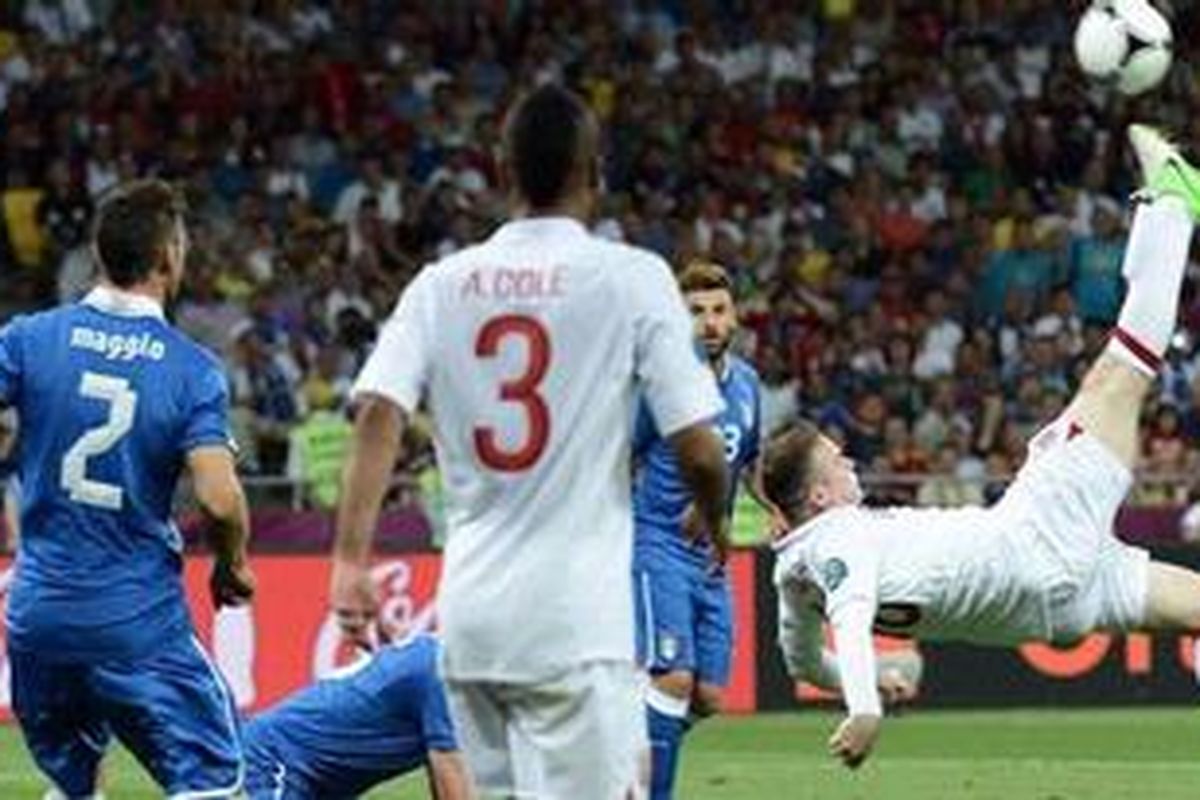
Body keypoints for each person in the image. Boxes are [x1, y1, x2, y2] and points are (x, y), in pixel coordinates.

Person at [330, 84, 729, 799]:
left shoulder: (439, 284)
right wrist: (717, 517)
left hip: (474, 616)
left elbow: (378, 413)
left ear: (500, 171)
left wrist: (349, 561)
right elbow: (699, 446)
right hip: (578, 617)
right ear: (595, 173)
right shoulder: (632, 278)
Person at [763, 126, 1200, 771]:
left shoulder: (790, 578)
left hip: (1053, 609)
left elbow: (801, 659)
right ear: (818, 495)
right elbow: (851, 619)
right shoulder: (838, 539)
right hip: (1036, 538)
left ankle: (1162, 206)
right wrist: (864, 706)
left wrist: (874, 680)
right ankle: (1173, 202)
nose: (851, 462)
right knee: (1122, 369)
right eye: (837, 459)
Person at [0, 179, 256, 798]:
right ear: (168, 256)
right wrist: (232, 565)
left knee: (75, 781)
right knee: (214, 776)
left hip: (40, 621)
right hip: (135, 622)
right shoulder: (190, 369)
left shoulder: (29, 339)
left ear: (98, 251)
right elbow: (219, 499)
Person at [632, 259, 786, 799]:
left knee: (709, 697)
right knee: (671, 679)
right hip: (658, 543)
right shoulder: (660, 383)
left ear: (735, 317)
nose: (710, 322)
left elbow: (748, 460)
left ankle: (628, 746)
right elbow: (620, 456)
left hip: (710, 557)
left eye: (719, 310)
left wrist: (771, 506)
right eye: (696, 312)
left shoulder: (746, 383)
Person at [243, 633, 471, 799]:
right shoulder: (441, 671)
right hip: (273, 761)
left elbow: (443, 782)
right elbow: (452, 779)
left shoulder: (437, 658)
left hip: (307, 778)